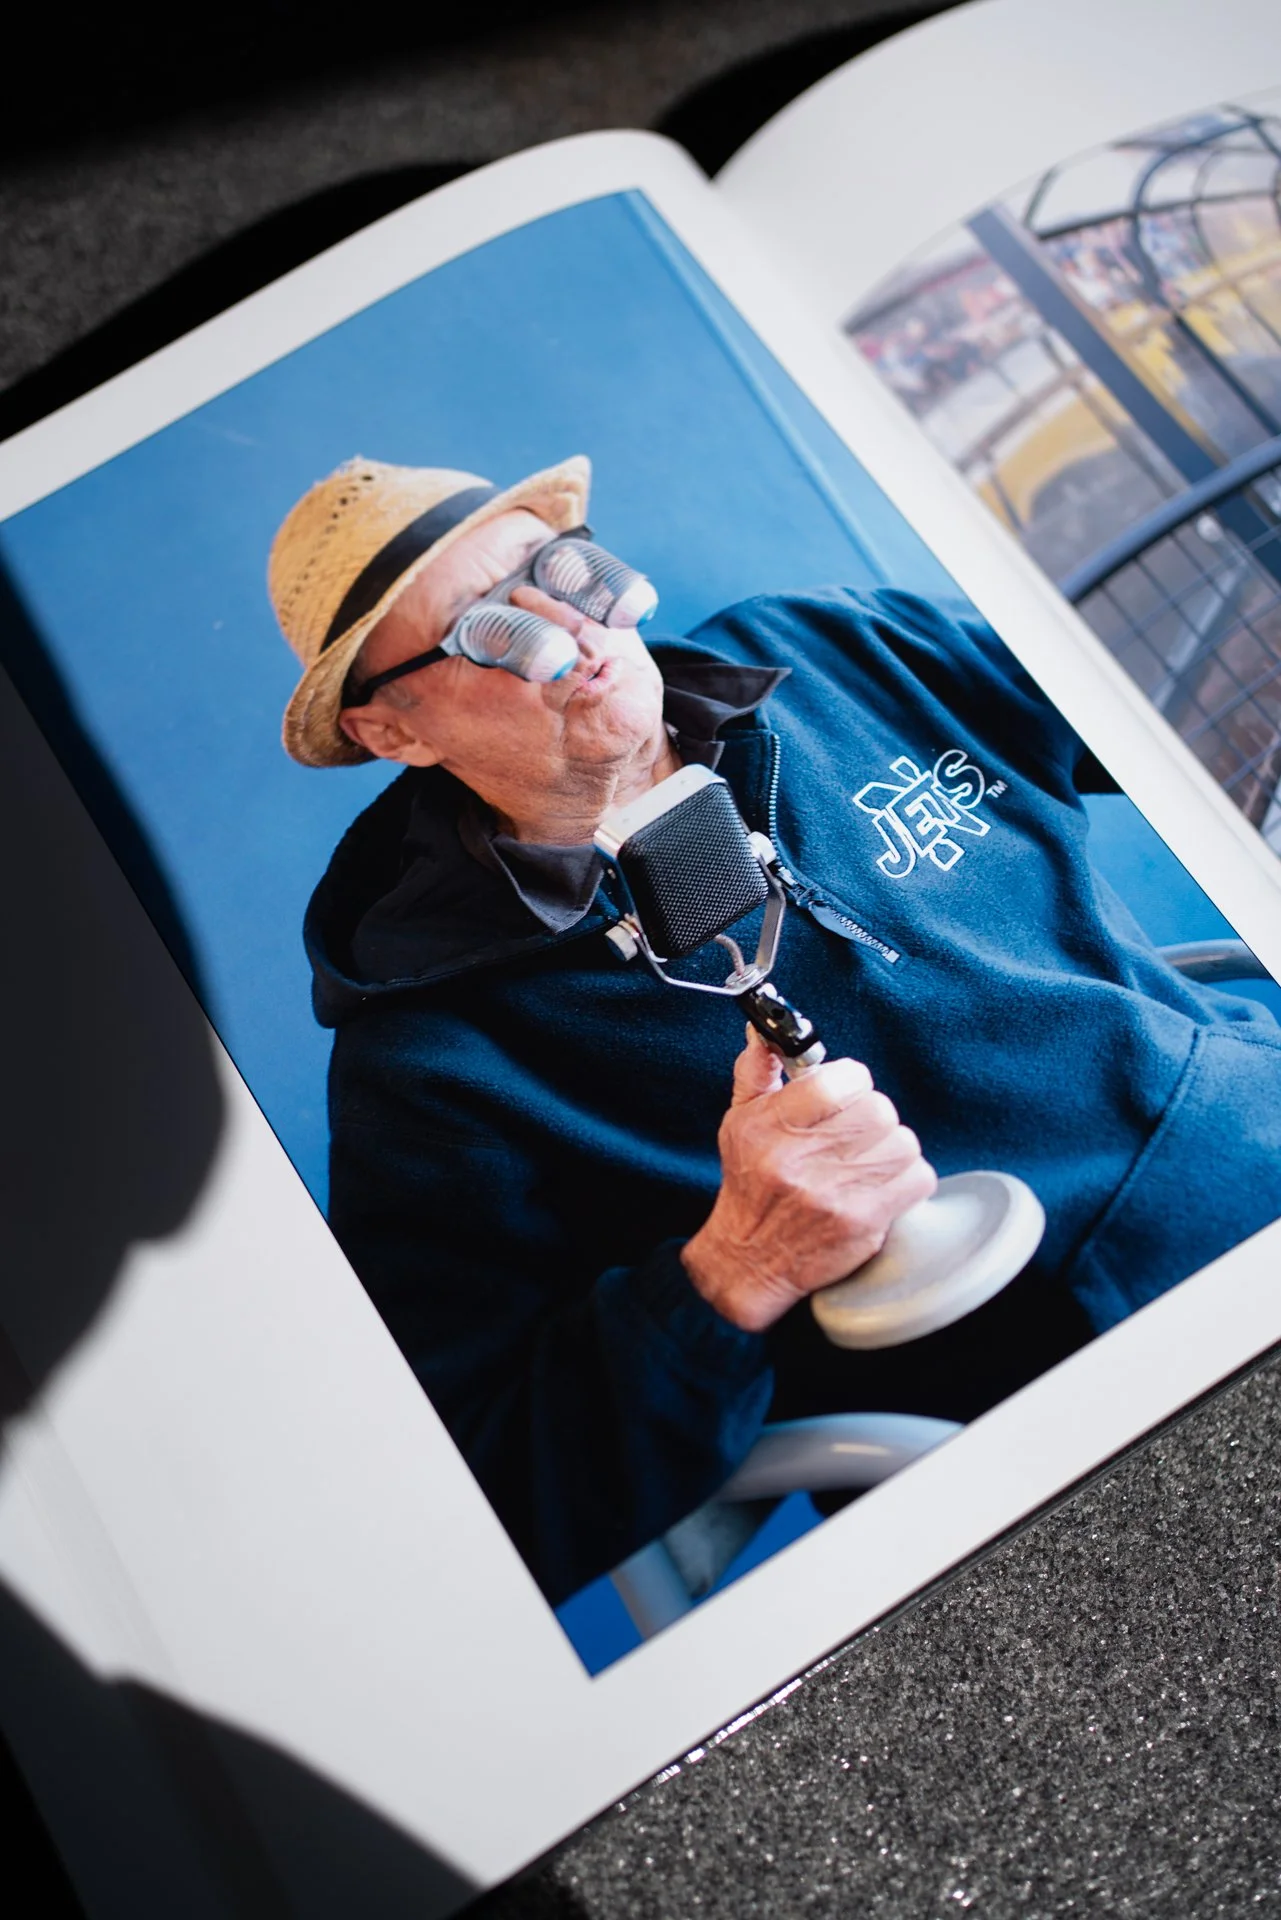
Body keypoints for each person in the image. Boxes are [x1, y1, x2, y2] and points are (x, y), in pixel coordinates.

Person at [271, 453, 1281, 1605]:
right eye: (487, 628)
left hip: (1247, 1147)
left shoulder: (833, 657)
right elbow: (490, 1507)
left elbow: (1150, 706)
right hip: (1057, 1433)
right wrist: (733, 1267)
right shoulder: (432, 1065)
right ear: (394, 732)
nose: (566, 625)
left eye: (554, 571)